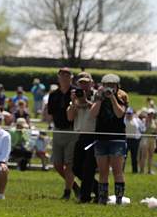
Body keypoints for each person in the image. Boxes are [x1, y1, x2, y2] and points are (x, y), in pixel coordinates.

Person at [90, 73, 128, 204]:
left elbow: (119, 114)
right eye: (106, 85)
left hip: (117, 139)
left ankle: (118, 200)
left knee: (117, 171)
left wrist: (112, 99)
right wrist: (100, 99)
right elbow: (93, 114)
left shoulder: (122, 96)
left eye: (112, 85)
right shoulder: (98, 96)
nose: (109, 88)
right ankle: (102, 199)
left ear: (117, 86)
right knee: (103, 172)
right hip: (101, 138)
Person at [47, 67, 79, 200]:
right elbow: (50, 113)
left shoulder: (76, 93)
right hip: (58, 130)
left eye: (67, 75)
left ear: (71, 77)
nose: (64, 78)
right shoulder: (53, 95)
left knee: (69, 164)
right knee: (57, 164)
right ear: (58, 77)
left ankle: (67, 192)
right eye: (62, 75)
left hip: (72, 131)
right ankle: (75, 187)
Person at [67, 71, 98, 203]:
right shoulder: (75, 97)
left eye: (86, 83)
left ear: (92, 83)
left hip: (94, 135)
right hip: (80, 135)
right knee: (76, 168)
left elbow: (97, 112)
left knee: (88, 167)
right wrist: (74, 102)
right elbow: (70, 117)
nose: (84, 86)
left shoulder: (97, 96)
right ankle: (98, 190)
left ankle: (85, 197)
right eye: (81, 84)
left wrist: (86, 101)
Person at [124, 107, 143, 174]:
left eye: (130, 113)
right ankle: (121, 170)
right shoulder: (123, 120)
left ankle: (135, 171)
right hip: (126, 140)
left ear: (132, 114)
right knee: (124, 156)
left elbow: (142, 128)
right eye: (127, 113)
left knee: (134, 157)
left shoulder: (137, 120)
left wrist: (139, 136)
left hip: (135, 141)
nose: (129, 115)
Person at [139, 108, 156, 174]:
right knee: (144, 155)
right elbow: (143, 130)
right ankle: (142, 170)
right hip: (145, 139)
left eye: (152, 114)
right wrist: (147, 122)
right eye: (149, 114)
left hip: (152, 139)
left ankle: (149, 170)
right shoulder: (144, 120)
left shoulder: (154, 121)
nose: (151, 115)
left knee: (151, 155)